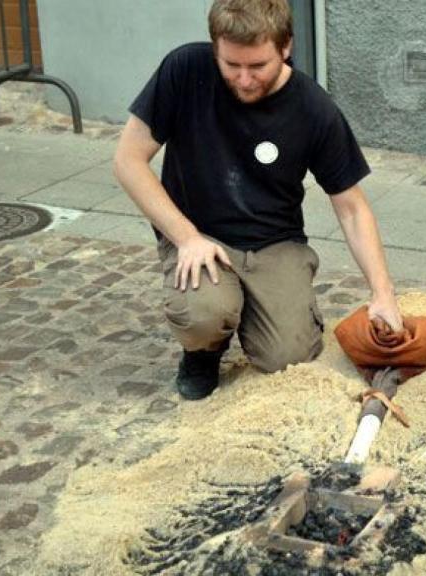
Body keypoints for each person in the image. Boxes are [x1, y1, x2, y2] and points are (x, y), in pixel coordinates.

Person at [113, 0, 402, 401]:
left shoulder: (313, 108)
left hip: (274, 242)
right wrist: (186, 238)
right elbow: (128, 160)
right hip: (201, 237)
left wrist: (382, 292)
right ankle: (203, 351)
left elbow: (352, 208)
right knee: (204, 313)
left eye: (258, 66)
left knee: (287, 356)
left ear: (286, 47)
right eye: (231, 65)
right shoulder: (184, 69)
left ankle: (260, 306)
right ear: (215, 46)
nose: (245, 80)